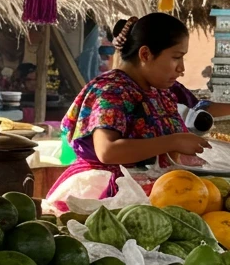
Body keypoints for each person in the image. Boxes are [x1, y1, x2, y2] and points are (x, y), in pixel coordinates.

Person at [49, 13, 214, 201]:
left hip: (155, 191)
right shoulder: (112, 91)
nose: (181, 68)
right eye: (176, 57)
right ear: (145, 54)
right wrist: (173, 141)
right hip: (109, 195)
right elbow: (107, 151)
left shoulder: (160, 90)